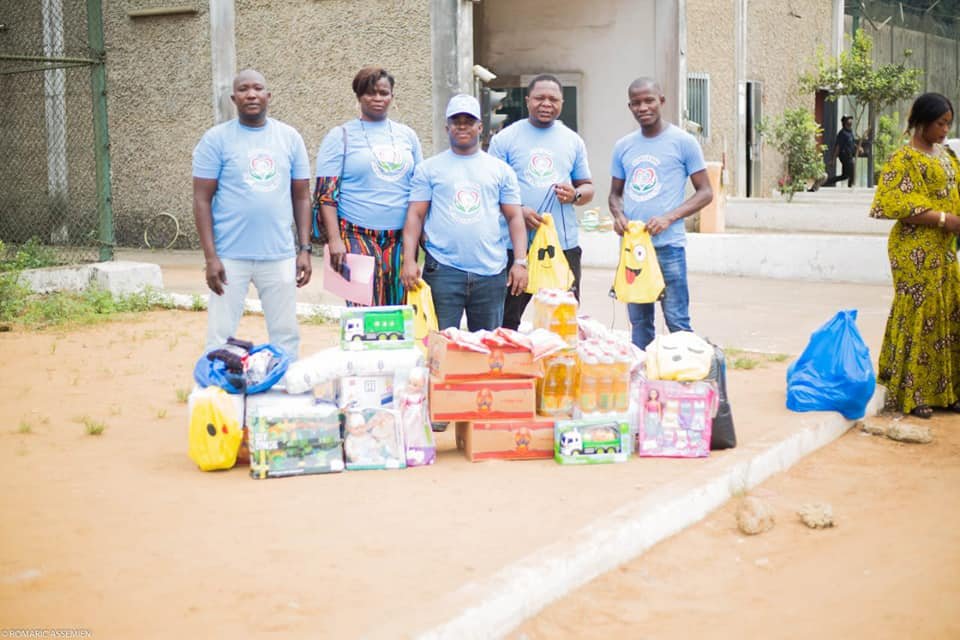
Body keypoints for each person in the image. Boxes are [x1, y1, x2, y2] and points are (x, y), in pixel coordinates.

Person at [192, 69, 312, 358]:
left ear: (268, 96)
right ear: (234, 98)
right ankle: (218, 392)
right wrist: (211, 257)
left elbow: (302, 196)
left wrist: (305, 249)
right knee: (220, 334)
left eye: (258, 88)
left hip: (279, 253)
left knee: (285, 334)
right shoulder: (216, 139)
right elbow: (201, 199)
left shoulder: (290, 138)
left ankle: (286, 385)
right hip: (230, 256)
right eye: (244, 89)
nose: (251, 94)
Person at [400, 94, 528, 331]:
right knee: (440, 346)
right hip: (443, 271)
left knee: (486, 349)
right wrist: (408, 260)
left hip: (491, 272)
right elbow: (415, 216)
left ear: (480, 126)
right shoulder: (428, 169)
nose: (462, 125)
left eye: (468, 121)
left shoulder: (501, 171)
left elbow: (514, 217)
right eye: (456, 120)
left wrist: (520, 262)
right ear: (446, 126)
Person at [869, 92, 960, 419]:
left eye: (948, 123)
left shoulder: (947, 155)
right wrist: (943, 219)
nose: (945, 129)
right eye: (940, 123)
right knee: (920, 312)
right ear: (921, 122)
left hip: (944, 249)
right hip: (914, 249)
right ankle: (913, 393)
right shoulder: (903, 159)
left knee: (947, 310)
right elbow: (892, 204)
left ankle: (947, 392)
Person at [609, 77, 713, 350]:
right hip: (634, 249)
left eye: (649, 100)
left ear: (661, 101)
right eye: (636, 103)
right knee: (640, 325)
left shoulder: (683, 142)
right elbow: (614, 194)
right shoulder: (623, 146)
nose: (643, 107)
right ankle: (644, 385)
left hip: (668, 247)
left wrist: (669, 217)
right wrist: (618, 216)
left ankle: (686, 383)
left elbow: (705, 192)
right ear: (629, 106)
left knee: (677, 320)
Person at [488, 74, 594, 329]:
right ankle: (509, 367)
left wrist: (575, 195)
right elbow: (490, 190)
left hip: (562, 245)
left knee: (562, 320)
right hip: (515, 247)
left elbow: (588, 188)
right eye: (539, 98)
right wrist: (519, 211)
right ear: (527, 101)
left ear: (561, 103)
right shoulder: (505, 139)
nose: (546, 103)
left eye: (553, 99)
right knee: (507, 320)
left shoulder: (572, 141)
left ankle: (557, 367)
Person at [315, 67, 423, 306]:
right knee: (361, 313)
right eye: (370, 93)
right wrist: (334, 240)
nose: (377, 99)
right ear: (358, 96)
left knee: (399, 312)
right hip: (356, 235)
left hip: (400, 240)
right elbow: (326, 195)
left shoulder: (408, 136)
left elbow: (419, 191)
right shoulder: (340, 136)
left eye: (383, 93)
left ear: (392, 96)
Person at [821, 115, 857, 188]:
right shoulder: (842, 133)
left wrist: (858, 147)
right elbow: (838, 147)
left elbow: (852, 142)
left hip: (850, 155)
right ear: (845, 122)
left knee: (845, 176)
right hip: (845, 156)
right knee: (852, 169)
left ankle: (826, 182)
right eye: (848, 119)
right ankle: (851, 187)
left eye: (851, 119)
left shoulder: (850, 132)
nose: (851, 121)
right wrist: (833, 160)